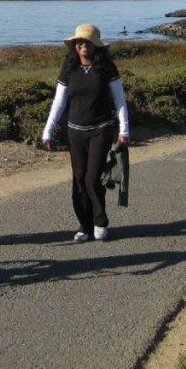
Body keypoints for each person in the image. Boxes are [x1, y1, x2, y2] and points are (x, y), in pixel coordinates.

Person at [42, 23, 130, 243]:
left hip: (100, 130)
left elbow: (120, 101)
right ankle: (85, 225)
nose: (82, 45)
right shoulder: (69, 66)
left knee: (92, 179)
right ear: (74, 45)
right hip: (75, 132)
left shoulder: (106, 66)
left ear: (95, 45)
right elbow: (59, 102)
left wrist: (124, 129)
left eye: (87, 42)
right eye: (79, 41)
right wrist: (48, 131)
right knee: (79, 181)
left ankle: (100, 220)